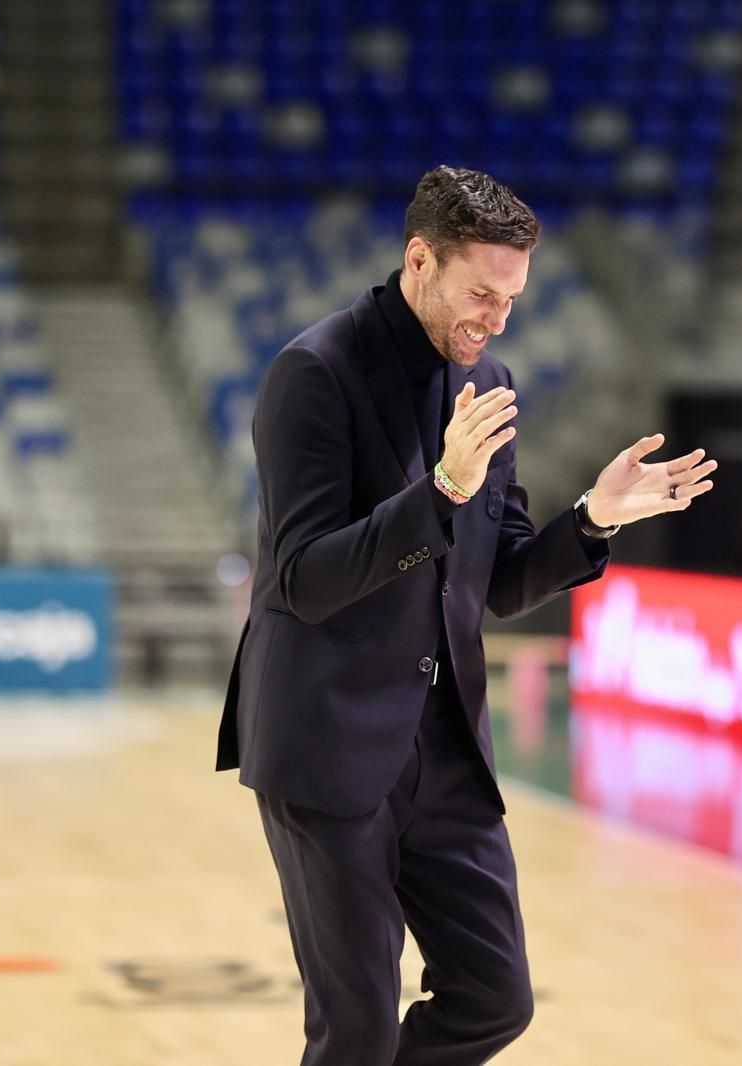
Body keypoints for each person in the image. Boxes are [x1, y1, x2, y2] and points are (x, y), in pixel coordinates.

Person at [215, 165, 716, 1066]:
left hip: (444, 749)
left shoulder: (487, 381)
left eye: (513, 299)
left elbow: (497, 584)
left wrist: (593, 519)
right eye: (481, 293)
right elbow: (304, 579)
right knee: (358, 1030)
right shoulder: (313, 374)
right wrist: (441, 489)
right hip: (327, 742)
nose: (495, 319)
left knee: (494, 1000)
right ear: (420, 261)